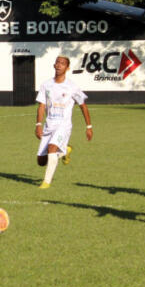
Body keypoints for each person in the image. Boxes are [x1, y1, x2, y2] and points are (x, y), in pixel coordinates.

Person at [34, 55, 93, 189]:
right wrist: (38, 125)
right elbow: (42, 106)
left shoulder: (71, 86)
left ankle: (46, 182)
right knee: (41, 161)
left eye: (63, 63)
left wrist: (89, 126)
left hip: (63, 125)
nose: (59, 65)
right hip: (49, 125)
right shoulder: (46, 85)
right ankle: (65, 151)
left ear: (67, 68)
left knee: (52, 148)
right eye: (57, 62)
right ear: (54, 65)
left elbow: (83, 105)